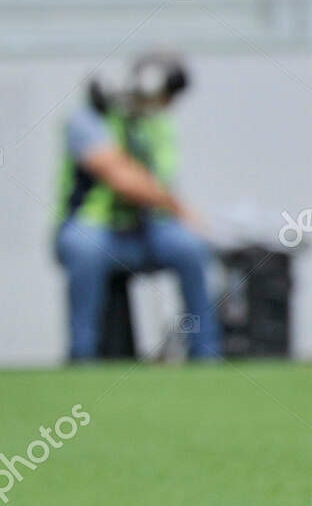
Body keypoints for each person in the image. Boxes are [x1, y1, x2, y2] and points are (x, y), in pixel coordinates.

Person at [55, 49, 219, 361]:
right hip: (93, 227)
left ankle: (206, 355)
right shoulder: (86, 120)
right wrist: (181, 209)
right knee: (85, 249)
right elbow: (123, 180)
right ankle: (82, 356)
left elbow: (160, 180)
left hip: (145, 231)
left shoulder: (156, 124)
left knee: (191, 247)